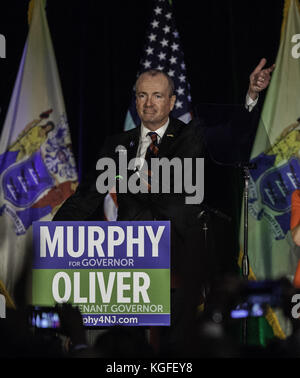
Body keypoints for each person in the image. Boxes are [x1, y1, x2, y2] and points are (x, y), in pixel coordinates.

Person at [53, 62, 273, 356]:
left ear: (171, 101)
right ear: (135, 100)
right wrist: (51, 236)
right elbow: (85, 198)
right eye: (142, 95)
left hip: (179, 265)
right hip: (131, 266)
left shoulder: (194, 135)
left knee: (175, 350)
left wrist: (251, 96)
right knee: (131, 350)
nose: (149, 103)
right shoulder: (116, 145)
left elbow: (234, 136)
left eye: (157, 96)